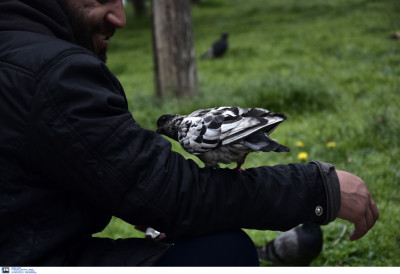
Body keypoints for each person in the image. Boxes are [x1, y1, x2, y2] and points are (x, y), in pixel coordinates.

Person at [0, 0, 379, 266]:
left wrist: (134, 200)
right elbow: (178, 197)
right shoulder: (51, 73)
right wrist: (316, 188)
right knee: (224, 253)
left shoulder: (15, 52)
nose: (120, 17)